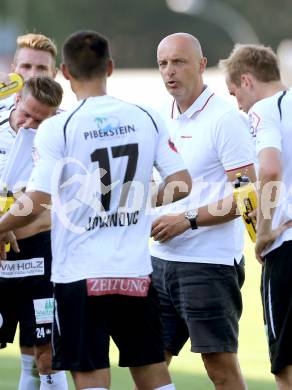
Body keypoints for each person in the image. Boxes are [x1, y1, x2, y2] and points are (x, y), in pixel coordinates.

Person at [0, 30, 192, 390]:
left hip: (80, 276)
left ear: (65, 73)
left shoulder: (59, 126)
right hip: (134, 274)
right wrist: (135, 202)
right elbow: (182, 182)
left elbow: (35, 200)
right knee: (154, 375)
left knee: (90, 379)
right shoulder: (145, 116)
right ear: (110, 67)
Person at [149, 32, 256, 390]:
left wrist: (187, 220)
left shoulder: (225, 120)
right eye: (163, 63)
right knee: (149, 368)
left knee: (219, 370)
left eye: (178, 62)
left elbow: (250, 196)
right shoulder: (160, 119)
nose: (169, 71)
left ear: (201, 64)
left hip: (208, 265)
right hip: (159, 261)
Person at [220, 44, 292, 389]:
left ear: (246, 81)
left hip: (288, 247)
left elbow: (270, 168)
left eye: (235, 94)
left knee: (286, 366)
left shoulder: (266, 109)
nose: (239, 105)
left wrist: (263, 231)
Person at [0, 32, 60, 390]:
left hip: (43, 257)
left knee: (44, 354)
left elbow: (65, 206)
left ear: (57, 73)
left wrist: (11, 223)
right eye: (26, 66)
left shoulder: (64, 129)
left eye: (42, 67)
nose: (34, 72)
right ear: (14, 73)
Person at [0, 33, 57, 112]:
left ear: (53, 75)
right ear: (13, 70)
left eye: (41, 68)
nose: (32, 74)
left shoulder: (64, 120)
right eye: (26, 66)